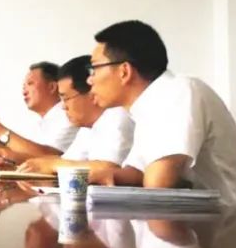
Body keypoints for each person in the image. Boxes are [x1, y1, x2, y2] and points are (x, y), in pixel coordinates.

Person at [87, 20, 236, 213]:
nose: (89, 79)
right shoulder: (148, 106)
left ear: (124, 71)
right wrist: (99, 176)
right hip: (211, 220)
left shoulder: (180, 90)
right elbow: (137, 173)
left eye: (94, 68)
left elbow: (159, 184)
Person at [8, 55, 141, 186]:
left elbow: (107, 169)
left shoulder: (117, 116)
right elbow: (67, 162)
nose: (63, 107)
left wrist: (53, 164)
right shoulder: (87, 128)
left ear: (91, 93)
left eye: (66, 98)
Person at [0, 62, 79, 163]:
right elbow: (7, 156)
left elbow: (51, 159)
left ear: (52, 87)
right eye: (23, 86)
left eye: (30, 84)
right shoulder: (42, 121)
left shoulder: (68, 116)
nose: (24, 91)